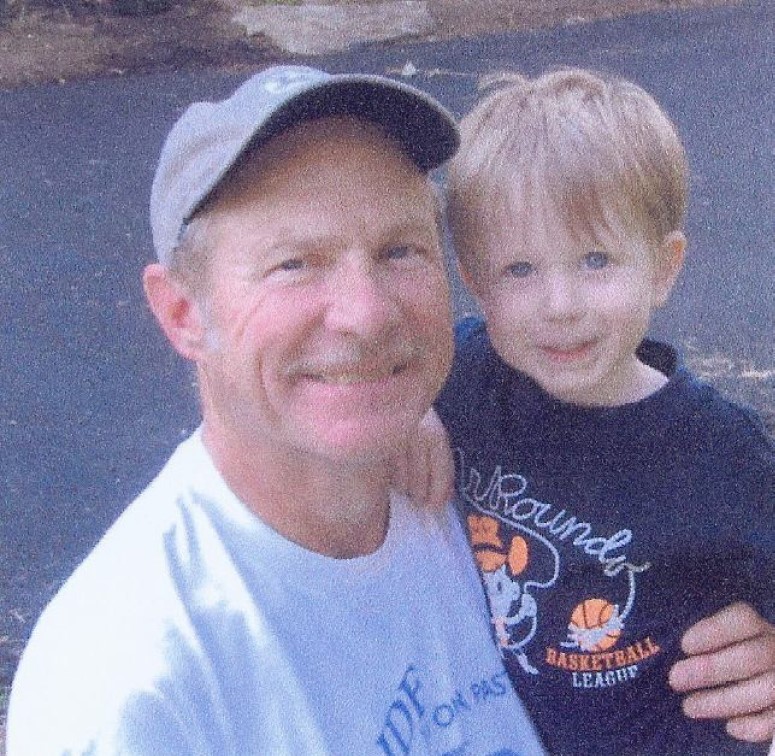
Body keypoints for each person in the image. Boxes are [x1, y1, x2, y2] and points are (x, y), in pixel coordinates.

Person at [6, 65, 545, 755]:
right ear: (182, 313)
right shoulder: (135, 688)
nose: (366, 314)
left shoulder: (497, 486)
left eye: (400, 250)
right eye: (294, 263)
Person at [433, 68, 775, 754]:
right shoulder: (463, 378)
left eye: (595, 260)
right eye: (519, 271)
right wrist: (414, 415)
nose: (560, 305)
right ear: (475, 284)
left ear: (662, 267)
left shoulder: (722, 456)